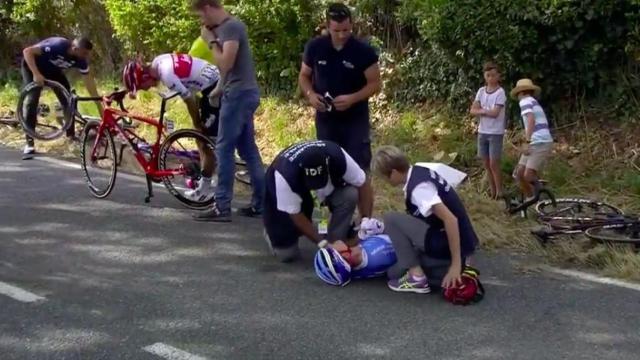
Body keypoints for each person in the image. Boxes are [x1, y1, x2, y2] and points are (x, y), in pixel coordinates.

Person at [192, 0, 266, 222]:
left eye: (201, 16)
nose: (202, 22)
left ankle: (221, 206)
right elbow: (228, 72)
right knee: (247, 150)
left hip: (239, 96)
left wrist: (211, 42)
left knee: (223, 149)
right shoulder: (227, 28)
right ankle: (260, 204)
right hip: (238, 92)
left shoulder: (231, 27)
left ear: (207, 8)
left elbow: (226, 63)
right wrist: (217, 90)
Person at [371, 146, 480, 294]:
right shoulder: (419, 171)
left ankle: (417, 277)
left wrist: (455, 264)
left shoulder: (420, 189)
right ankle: (437, 268)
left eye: (385, 177)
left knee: (391, 219)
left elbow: (451, 220)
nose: (385, 181)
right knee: (394, 272)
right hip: (460, 240)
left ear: (394, 172)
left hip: (447, 241)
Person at [121, 53, 220, 201]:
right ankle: (205, 182)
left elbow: (189, 99)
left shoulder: (165, 73)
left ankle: (207, 188)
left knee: (205, 141)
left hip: (215, 88)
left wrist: (197, 123)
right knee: (202, 140)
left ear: (145, 77)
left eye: (142, 86)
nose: (146, 90)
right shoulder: (158, 61)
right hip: (211, 85)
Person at [298, 3, 381, 173]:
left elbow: (375, 83)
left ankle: (361, 198)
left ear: (351, 24)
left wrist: (353, 98)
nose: (342, 35)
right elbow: (304, 75)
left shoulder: (363, 51)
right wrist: (310, 94)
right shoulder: (315, 47)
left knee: (359, 170)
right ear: (327, 26)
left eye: (346, 30)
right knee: (329, 167)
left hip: (355, 121)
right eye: (337, 31)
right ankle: (334, 199)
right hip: (326, 120)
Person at [263, 140, 374, 263]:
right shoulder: (284, 175)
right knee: (287, 255)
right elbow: (296, 215)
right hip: (286, 188)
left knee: (349, 194)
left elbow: (363, 183)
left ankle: (335, 239)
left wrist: (366, 220)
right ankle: (272, 232)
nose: (316, 187)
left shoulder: (337, 156)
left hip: (322, 182)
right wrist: (323, 244)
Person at [21, 36, 101, 160]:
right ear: (75, 49)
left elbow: (89, 82)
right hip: (32, 67)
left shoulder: (81, 60)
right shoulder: (57, 46)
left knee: (68, 100)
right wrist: (36, 74)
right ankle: (29, 143)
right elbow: (27, 51)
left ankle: (70, 136)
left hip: (53, 72)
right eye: (84, 53)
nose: (86, 57)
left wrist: (97, 102)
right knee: (32, 101)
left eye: (88, 54)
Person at [510, 79, 554, 201]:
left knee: (527, 175)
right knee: (519, 174)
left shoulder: (525, 101)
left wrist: (527, 142)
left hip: (540, 142)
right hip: (536, 141)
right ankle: (531, 199)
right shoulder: (532, 101)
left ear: (521, 93)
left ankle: (542, 195)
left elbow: (531, 120)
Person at [469, 61, 507, 200]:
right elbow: (473, 110)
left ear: (498, 76)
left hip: (495, 132)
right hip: (482, 131)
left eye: (493, 75)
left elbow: (495, 113)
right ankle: (492, 191)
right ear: (485, 76)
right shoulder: (481, 91)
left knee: (494, 163)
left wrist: (481, 111)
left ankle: (500, 191)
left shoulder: (500, 92)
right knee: (486, 163)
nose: (490, 78)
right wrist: (485, 111)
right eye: (488, 75)